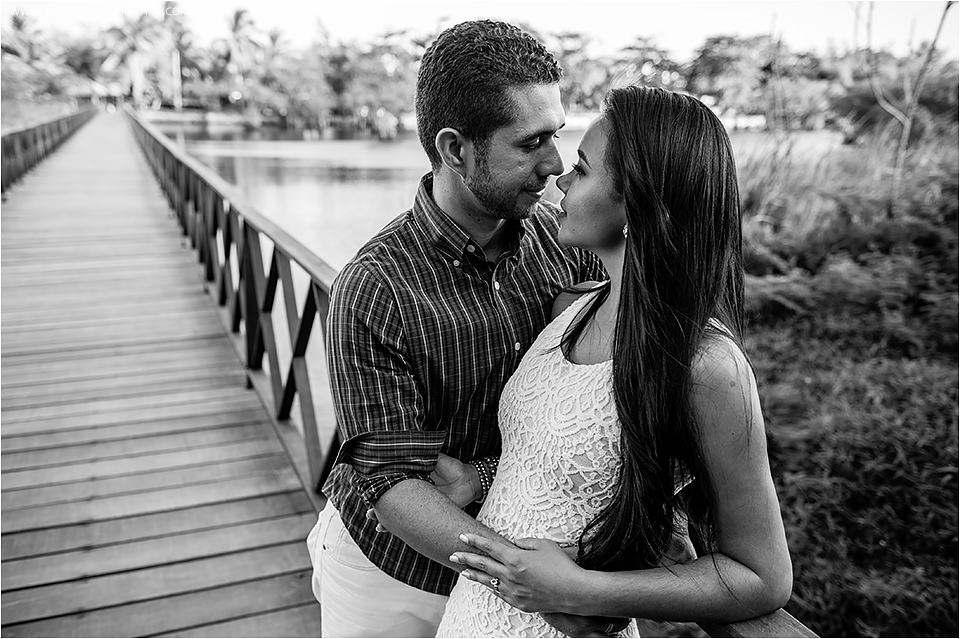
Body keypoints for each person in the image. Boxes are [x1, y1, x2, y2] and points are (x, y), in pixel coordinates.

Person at [434, 86, 794, 637]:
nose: (559, 178)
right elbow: (545, 469)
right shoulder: (575, 308)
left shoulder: (705, 366)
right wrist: (476, 478)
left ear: (637, 204)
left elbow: (761, 576)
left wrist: (582, 590)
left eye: (580, 169)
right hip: (474, 618)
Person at [305, 20, 611, 638]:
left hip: (524, 567)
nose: (555, 166)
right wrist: (530, 581)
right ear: (454, 149)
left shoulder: (567, 240)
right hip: (392, 580)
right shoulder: (375, 286)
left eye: (558, 137)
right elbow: (391, 484)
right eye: (530, 144)